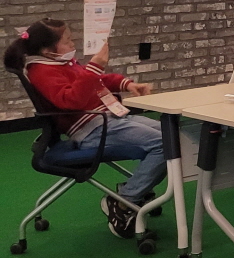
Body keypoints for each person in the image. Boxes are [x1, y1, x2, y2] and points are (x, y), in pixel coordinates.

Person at [4, 19, 157, 238]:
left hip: (108, 119)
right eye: (67, 41)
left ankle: (134, 192)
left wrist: (126, 84)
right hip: (92, 129)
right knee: (164, 144)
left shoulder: (62, 64)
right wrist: (94, 67)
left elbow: (94, 81)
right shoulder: (41, 72)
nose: (73, 44)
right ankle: (125, 201)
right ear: (47, 50)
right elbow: (70, 100)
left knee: (170, 136)